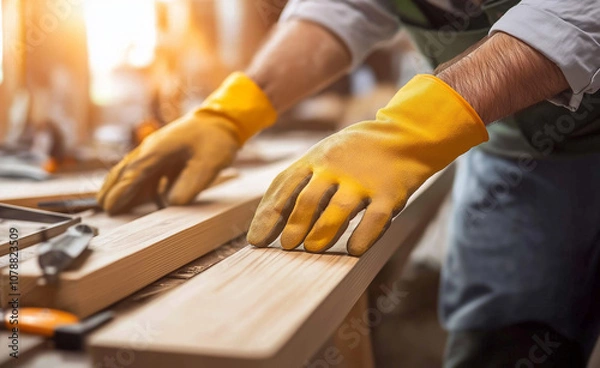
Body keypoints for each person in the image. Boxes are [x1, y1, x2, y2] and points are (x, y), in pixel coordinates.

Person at [97, 0, 600, 366]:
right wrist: (233, 112)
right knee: (505, 348)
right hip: (518, 161)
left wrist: (413, 130)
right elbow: (342, 8)